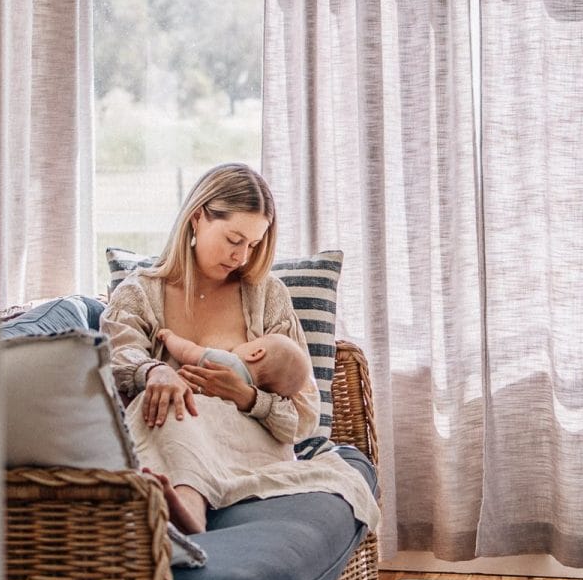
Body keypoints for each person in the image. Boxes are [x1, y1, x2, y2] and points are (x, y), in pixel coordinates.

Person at [102, 163, 378, 536]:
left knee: (185, 415)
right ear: (197, 218)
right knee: (176, 411)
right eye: (234, 240)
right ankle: (186, 505)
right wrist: (155, 371)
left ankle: (188, 511)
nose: (242, 257)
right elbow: (115, 356)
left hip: (247, 448)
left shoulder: (268, 296)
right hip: (174, 437)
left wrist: (249, 397)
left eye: (253, 244)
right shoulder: (139, 293)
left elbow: (306, 416)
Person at [155, 328, 311, 401]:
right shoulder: (251, 391)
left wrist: (169, 337)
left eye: (252, 341)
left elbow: (187, 352)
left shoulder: (228, 362)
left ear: (256, 354)